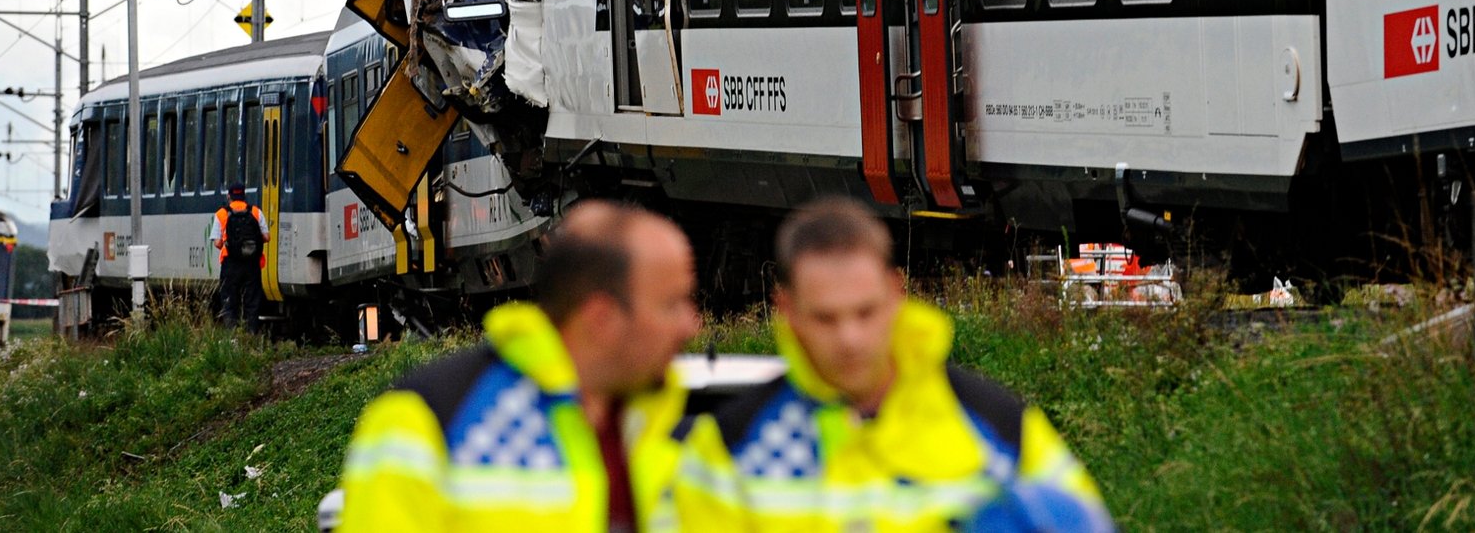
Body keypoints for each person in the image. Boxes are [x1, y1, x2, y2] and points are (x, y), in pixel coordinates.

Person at [676, 196, 1113, 533]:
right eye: (826, 317)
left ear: (896, 293)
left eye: (865, 312)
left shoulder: (1001, 428)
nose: (850, 338)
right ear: (786, 309)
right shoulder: (726, 453)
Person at [336, 200, 701, 533]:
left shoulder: (697, 432)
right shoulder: (424, 423)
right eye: (671, 305)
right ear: (600, 319)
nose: (691, 325)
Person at [210, 182, 270, 333]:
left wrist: (231, 243)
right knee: (252, 302)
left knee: (229, 301)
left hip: (230, 265)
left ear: (229, 196)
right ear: (244, 195)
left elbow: (217, 242)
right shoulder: (255, 212)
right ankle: (251, 334)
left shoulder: (221, 214)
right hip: (252, 265)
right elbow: (267, 237)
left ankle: (233, 336)